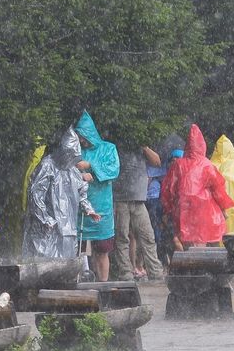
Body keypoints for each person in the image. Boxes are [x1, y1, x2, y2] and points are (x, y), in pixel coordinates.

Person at [22, 125, 100, 258]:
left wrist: (89, 209)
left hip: (68, 229)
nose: (70, 159)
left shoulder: (72, 170)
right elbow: (36, 195)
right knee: (45, 263)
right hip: (48, 228)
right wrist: (45, 219)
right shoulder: (47, 166)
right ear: (62, 151)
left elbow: (81, 192)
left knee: (65, 265)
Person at [161, 124, 234, 248]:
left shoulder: (178, 164)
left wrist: (168, 209)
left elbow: (169, 189)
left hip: (183, 209)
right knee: (203, 239)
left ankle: (189, 262)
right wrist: (224, 209)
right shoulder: (207, 165)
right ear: (202, 145)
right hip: (205, 210)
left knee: (187, 241)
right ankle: (204, 263)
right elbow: (218, 189)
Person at [73, 111, 120, 282]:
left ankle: (103, 285)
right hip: (79, 210)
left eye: (82, 136)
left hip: (102, 208)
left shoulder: (108, 149)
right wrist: (79, 174)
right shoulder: (75, 151)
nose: (81, 140)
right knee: (77, 252)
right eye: (78, 137)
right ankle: (77, 286)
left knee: (102, 250)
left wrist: (91, 166)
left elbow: (113, 170)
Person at [113, 143, 165, 281]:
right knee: (122, 237)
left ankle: (155, 271)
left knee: (147, 236)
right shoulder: (116, 145)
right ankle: (125, 273)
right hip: (120, 199)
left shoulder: (141, 145)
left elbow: (157, 162)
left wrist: (144, 147)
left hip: (139, 199)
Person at [147, 134, 184, 267]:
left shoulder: (183, 174)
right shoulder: (165, 171)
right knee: (163, 236)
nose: (175, 160)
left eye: (178, 158)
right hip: (162, 206)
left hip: (175, 209)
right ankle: (168, 262)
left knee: (174, 238)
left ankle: (180, 263)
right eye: (173, 158)